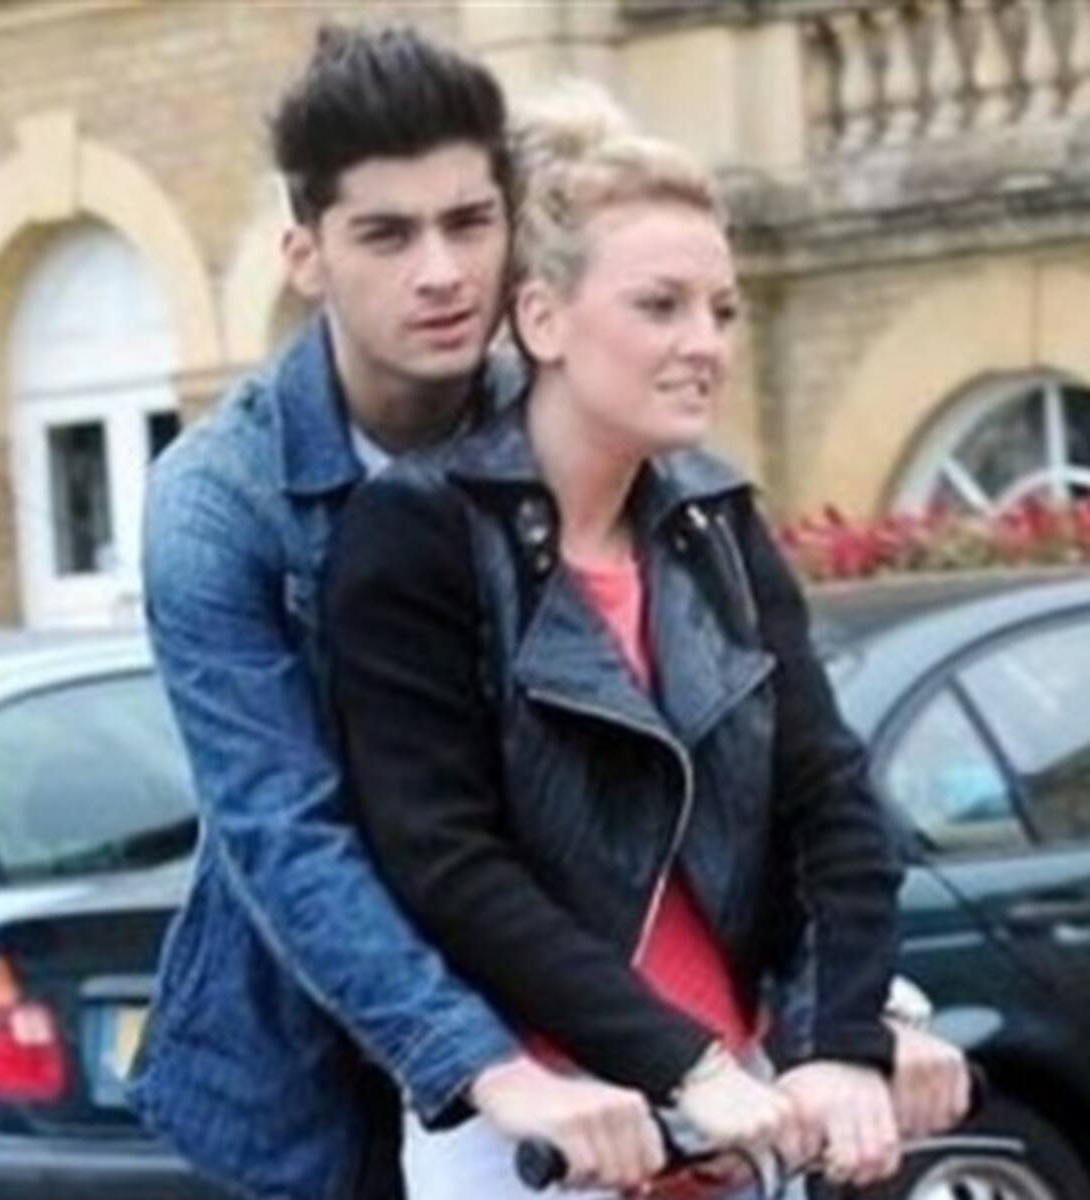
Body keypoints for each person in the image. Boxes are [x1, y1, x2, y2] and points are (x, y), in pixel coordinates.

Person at [322, 88, 970, 1199]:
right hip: (543, 1128)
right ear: (543, 319)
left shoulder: (717, 522)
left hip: (745, 1116)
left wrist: (845, 1038)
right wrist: (679, 1063)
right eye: (660, 306)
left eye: (722, 310)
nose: (703, 344)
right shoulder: (422, 533)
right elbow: (446, 862)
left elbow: (831, 805)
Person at [130, 28, 671, 1200]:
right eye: (387, 234)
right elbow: (283, 829)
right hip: (320, 1080)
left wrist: (859, 999)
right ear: (306, 254)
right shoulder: (219, 501)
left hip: (586, 1037)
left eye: (469, 224)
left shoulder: (572, 420)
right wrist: (479, 1063)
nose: (442, 272)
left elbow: (724, 725)